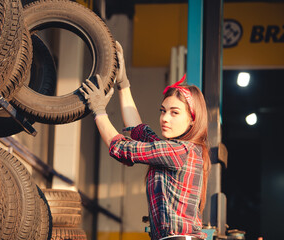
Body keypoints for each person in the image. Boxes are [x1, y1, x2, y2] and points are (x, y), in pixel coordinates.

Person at [79, 41, 210, 240]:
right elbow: (139, 131)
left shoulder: (180, 150)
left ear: (193, 119)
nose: (165, 118)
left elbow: (122, 148)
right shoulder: (176, 150)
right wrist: (123, 84)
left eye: (175, 113)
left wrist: (99, 111)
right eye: (163, 111)